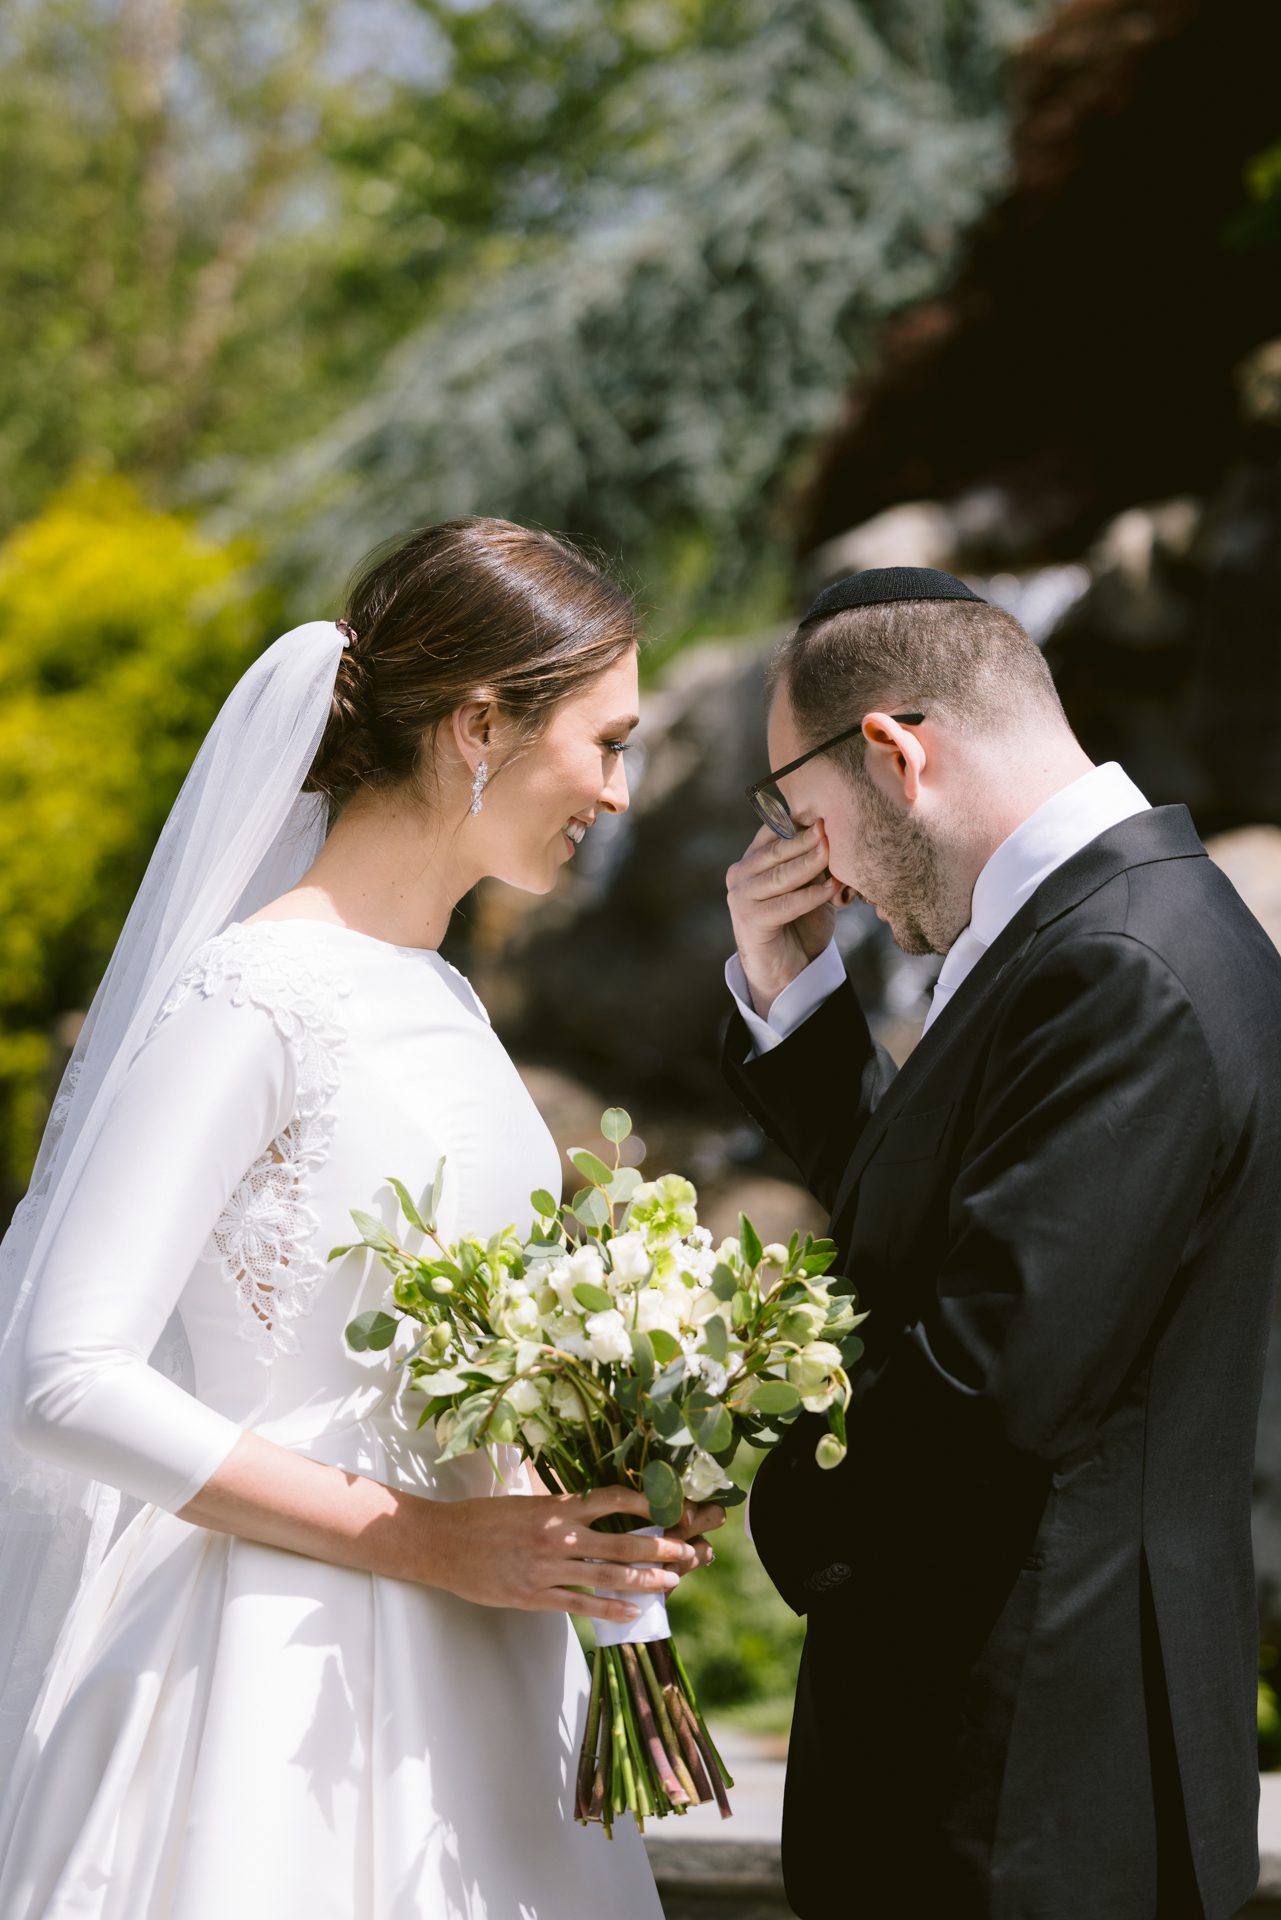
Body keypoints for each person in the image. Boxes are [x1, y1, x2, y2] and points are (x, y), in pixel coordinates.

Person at [0, 516, 722, 1919]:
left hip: (495, 1658)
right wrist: (423, 1540)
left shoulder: (439, 994)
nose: (619, 792)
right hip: (276, 1674)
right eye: (606, 740)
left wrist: (588, 1485)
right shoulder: (249, 998)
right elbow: (57, 1375)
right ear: (475, 725)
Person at [721, 566, 1281, 1919]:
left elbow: (992, 1378)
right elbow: (961, 1237)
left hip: (1029, 1773)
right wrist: (796, 1009)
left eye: (802, 821)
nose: (823, 875)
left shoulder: (1117, 963)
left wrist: (758, 1497)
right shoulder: (1091, 928)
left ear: (892, 753)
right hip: (1024, 1741)